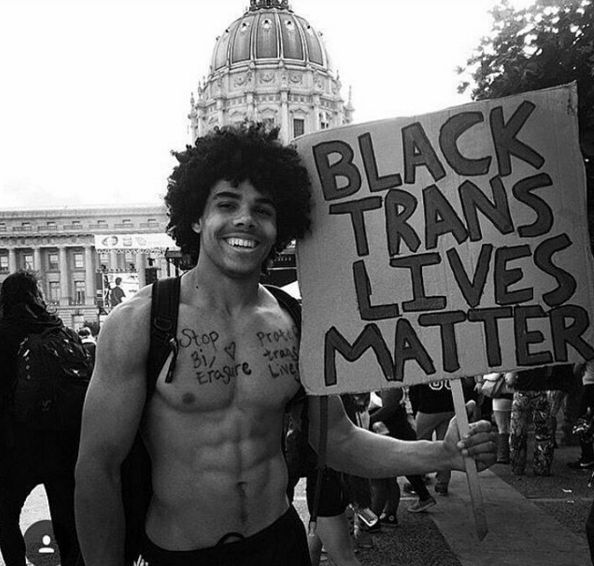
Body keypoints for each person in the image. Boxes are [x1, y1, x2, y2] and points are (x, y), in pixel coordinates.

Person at [75, 124, 497, 566]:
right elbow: (96, 468)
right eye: (226, 204)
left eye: (263, 209)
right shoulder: (140, 323)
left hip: (278, 544)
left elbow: (337, 440)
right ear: (196, 216)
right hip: (180, 552)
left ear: (281, 226)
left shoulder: (297, 322)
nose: (245, 220)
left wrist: (444, 453)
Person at [0, 271, 82, 566]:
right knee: (66, 517)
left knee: (5, 515)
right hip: (62, 442)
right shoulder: (61, 331)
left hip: (16, 446)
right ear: (36, 296)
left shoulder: (4, 333)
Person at [368, 389, 437, 524]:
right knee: (391, 478)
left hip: (395, 435)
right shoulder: (382, 385)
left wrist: (366, 421)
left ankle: (376, 519)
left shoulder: (390, 387)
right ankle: (389, 514)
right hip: (389, 434)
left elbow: (389, 408)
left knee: (384, 480)